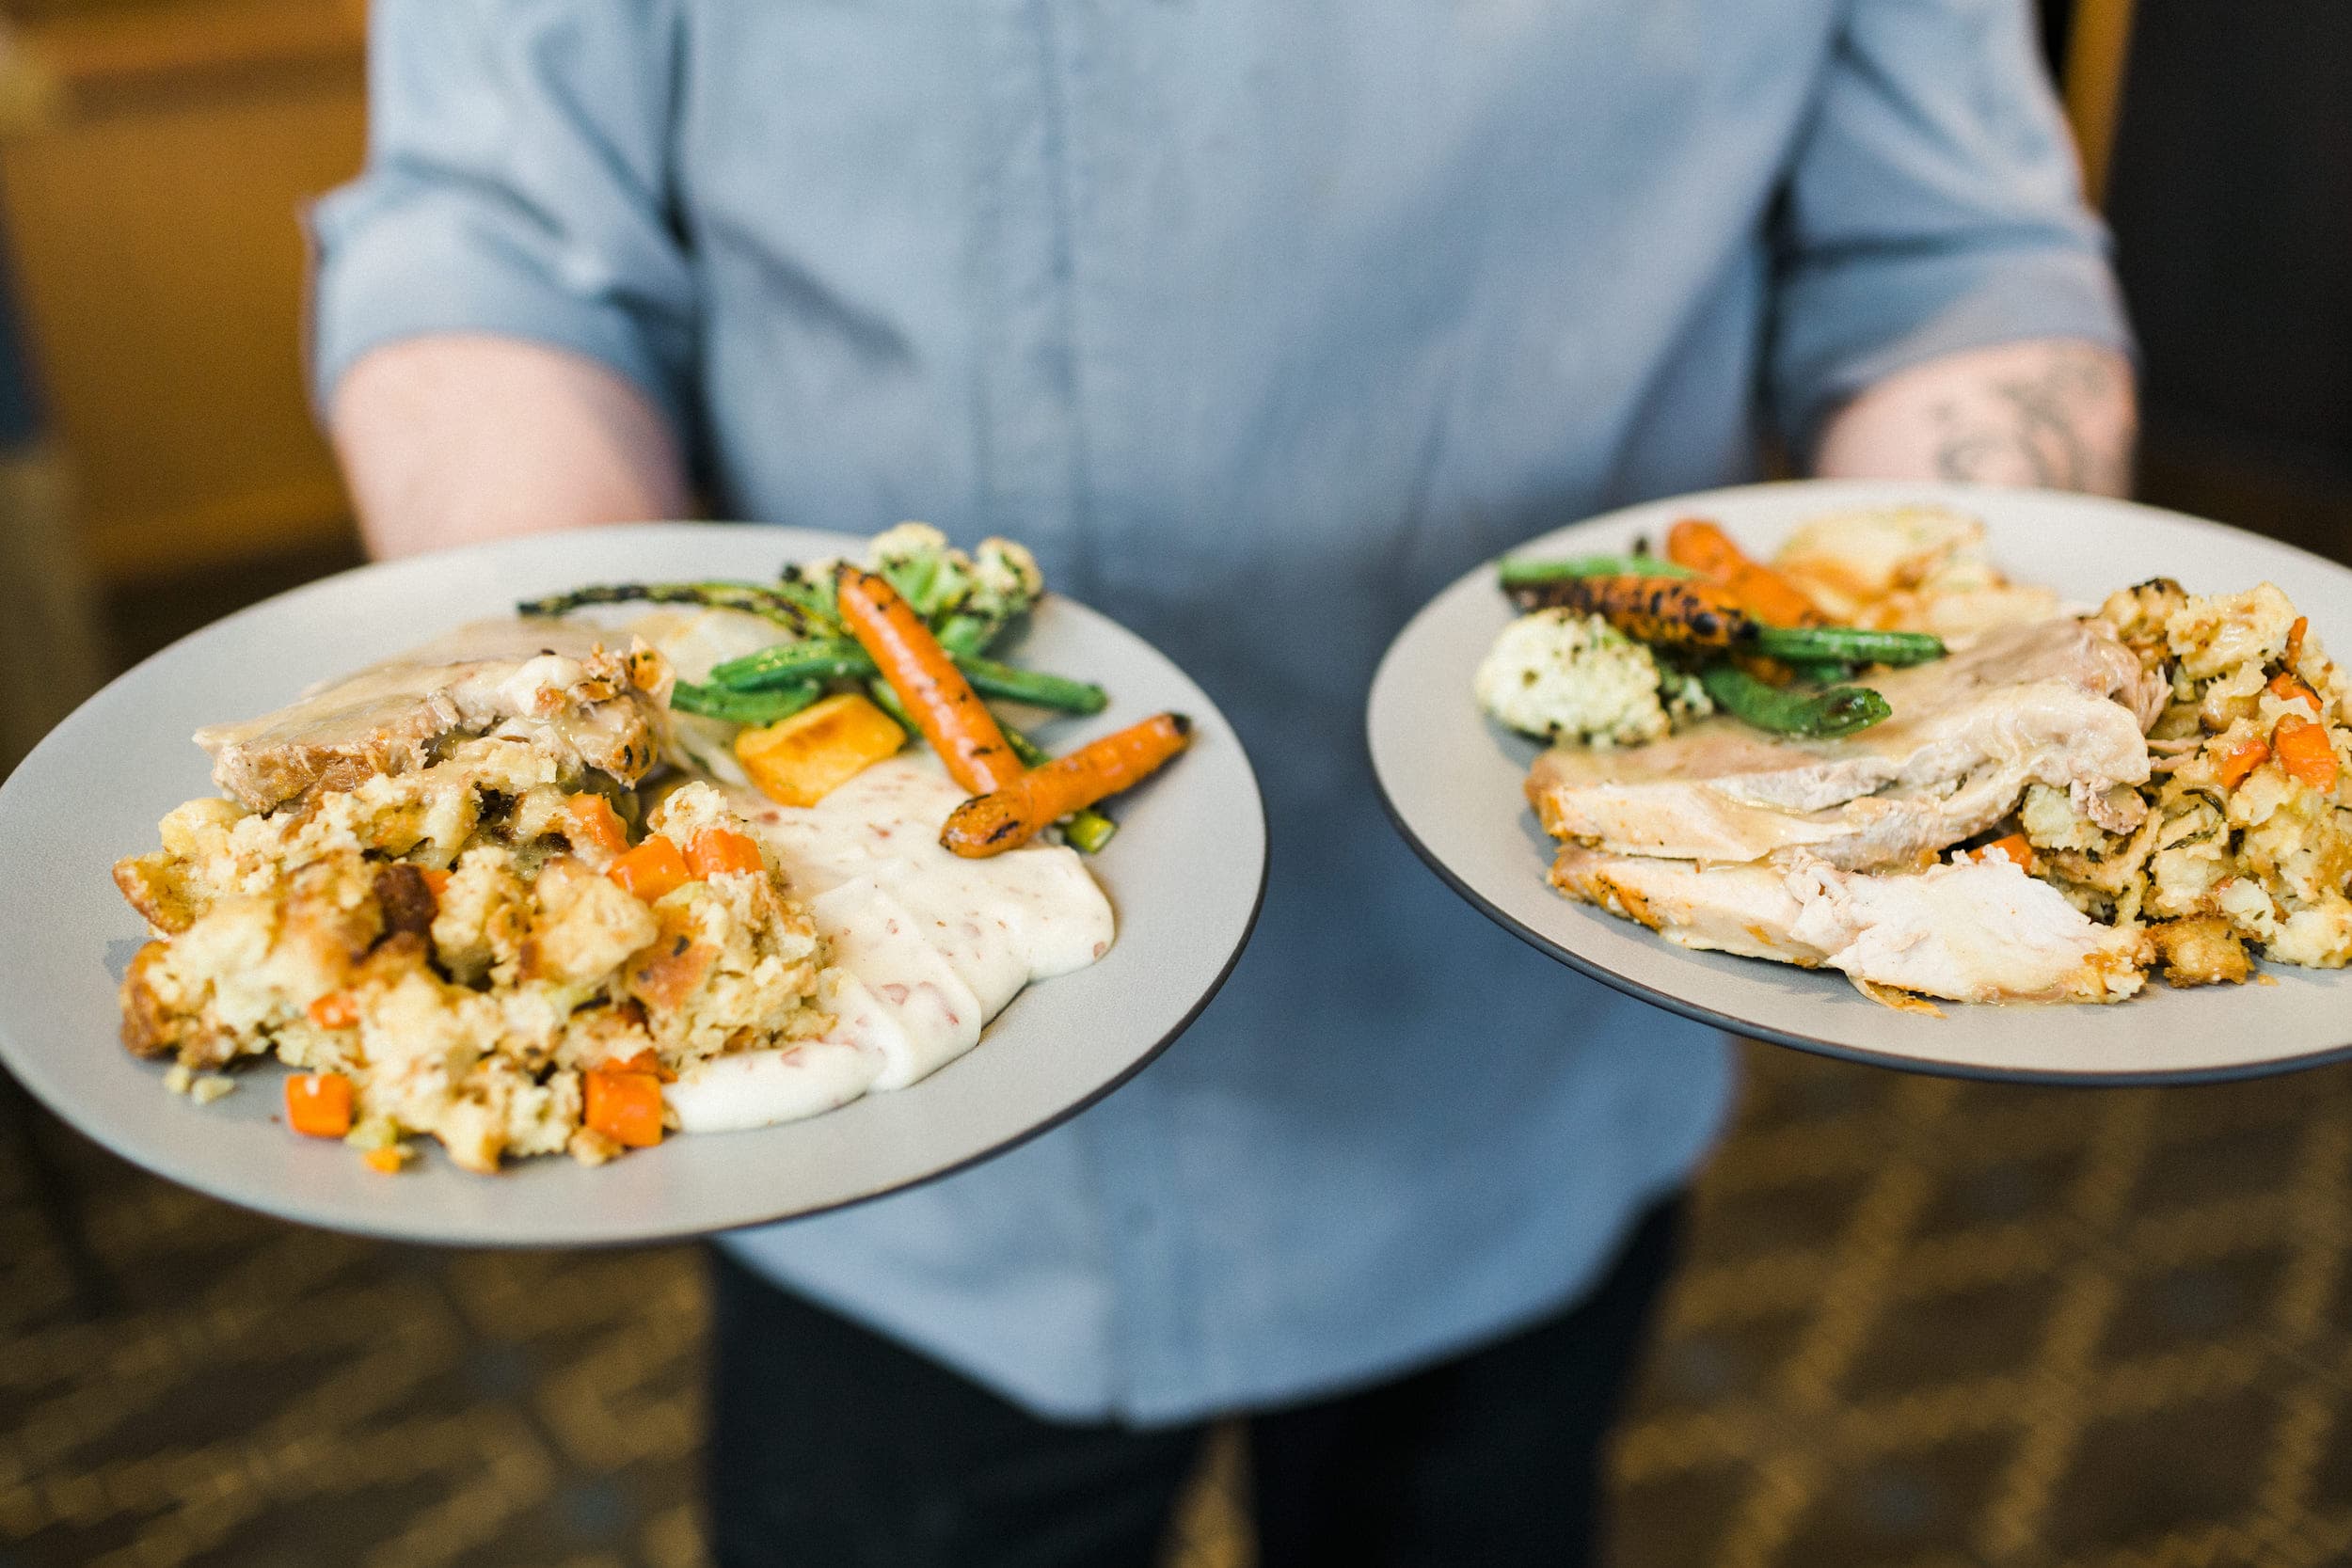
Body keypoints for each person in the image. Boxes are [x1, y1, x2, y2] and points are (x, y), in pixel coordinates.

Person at [310, 4, 2136, 1562]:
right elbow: (498, 249)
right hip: (871, 1053)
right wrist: (590, 780)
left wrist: (1942, 720)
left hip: (1524, 997)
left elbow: (1943, 260)